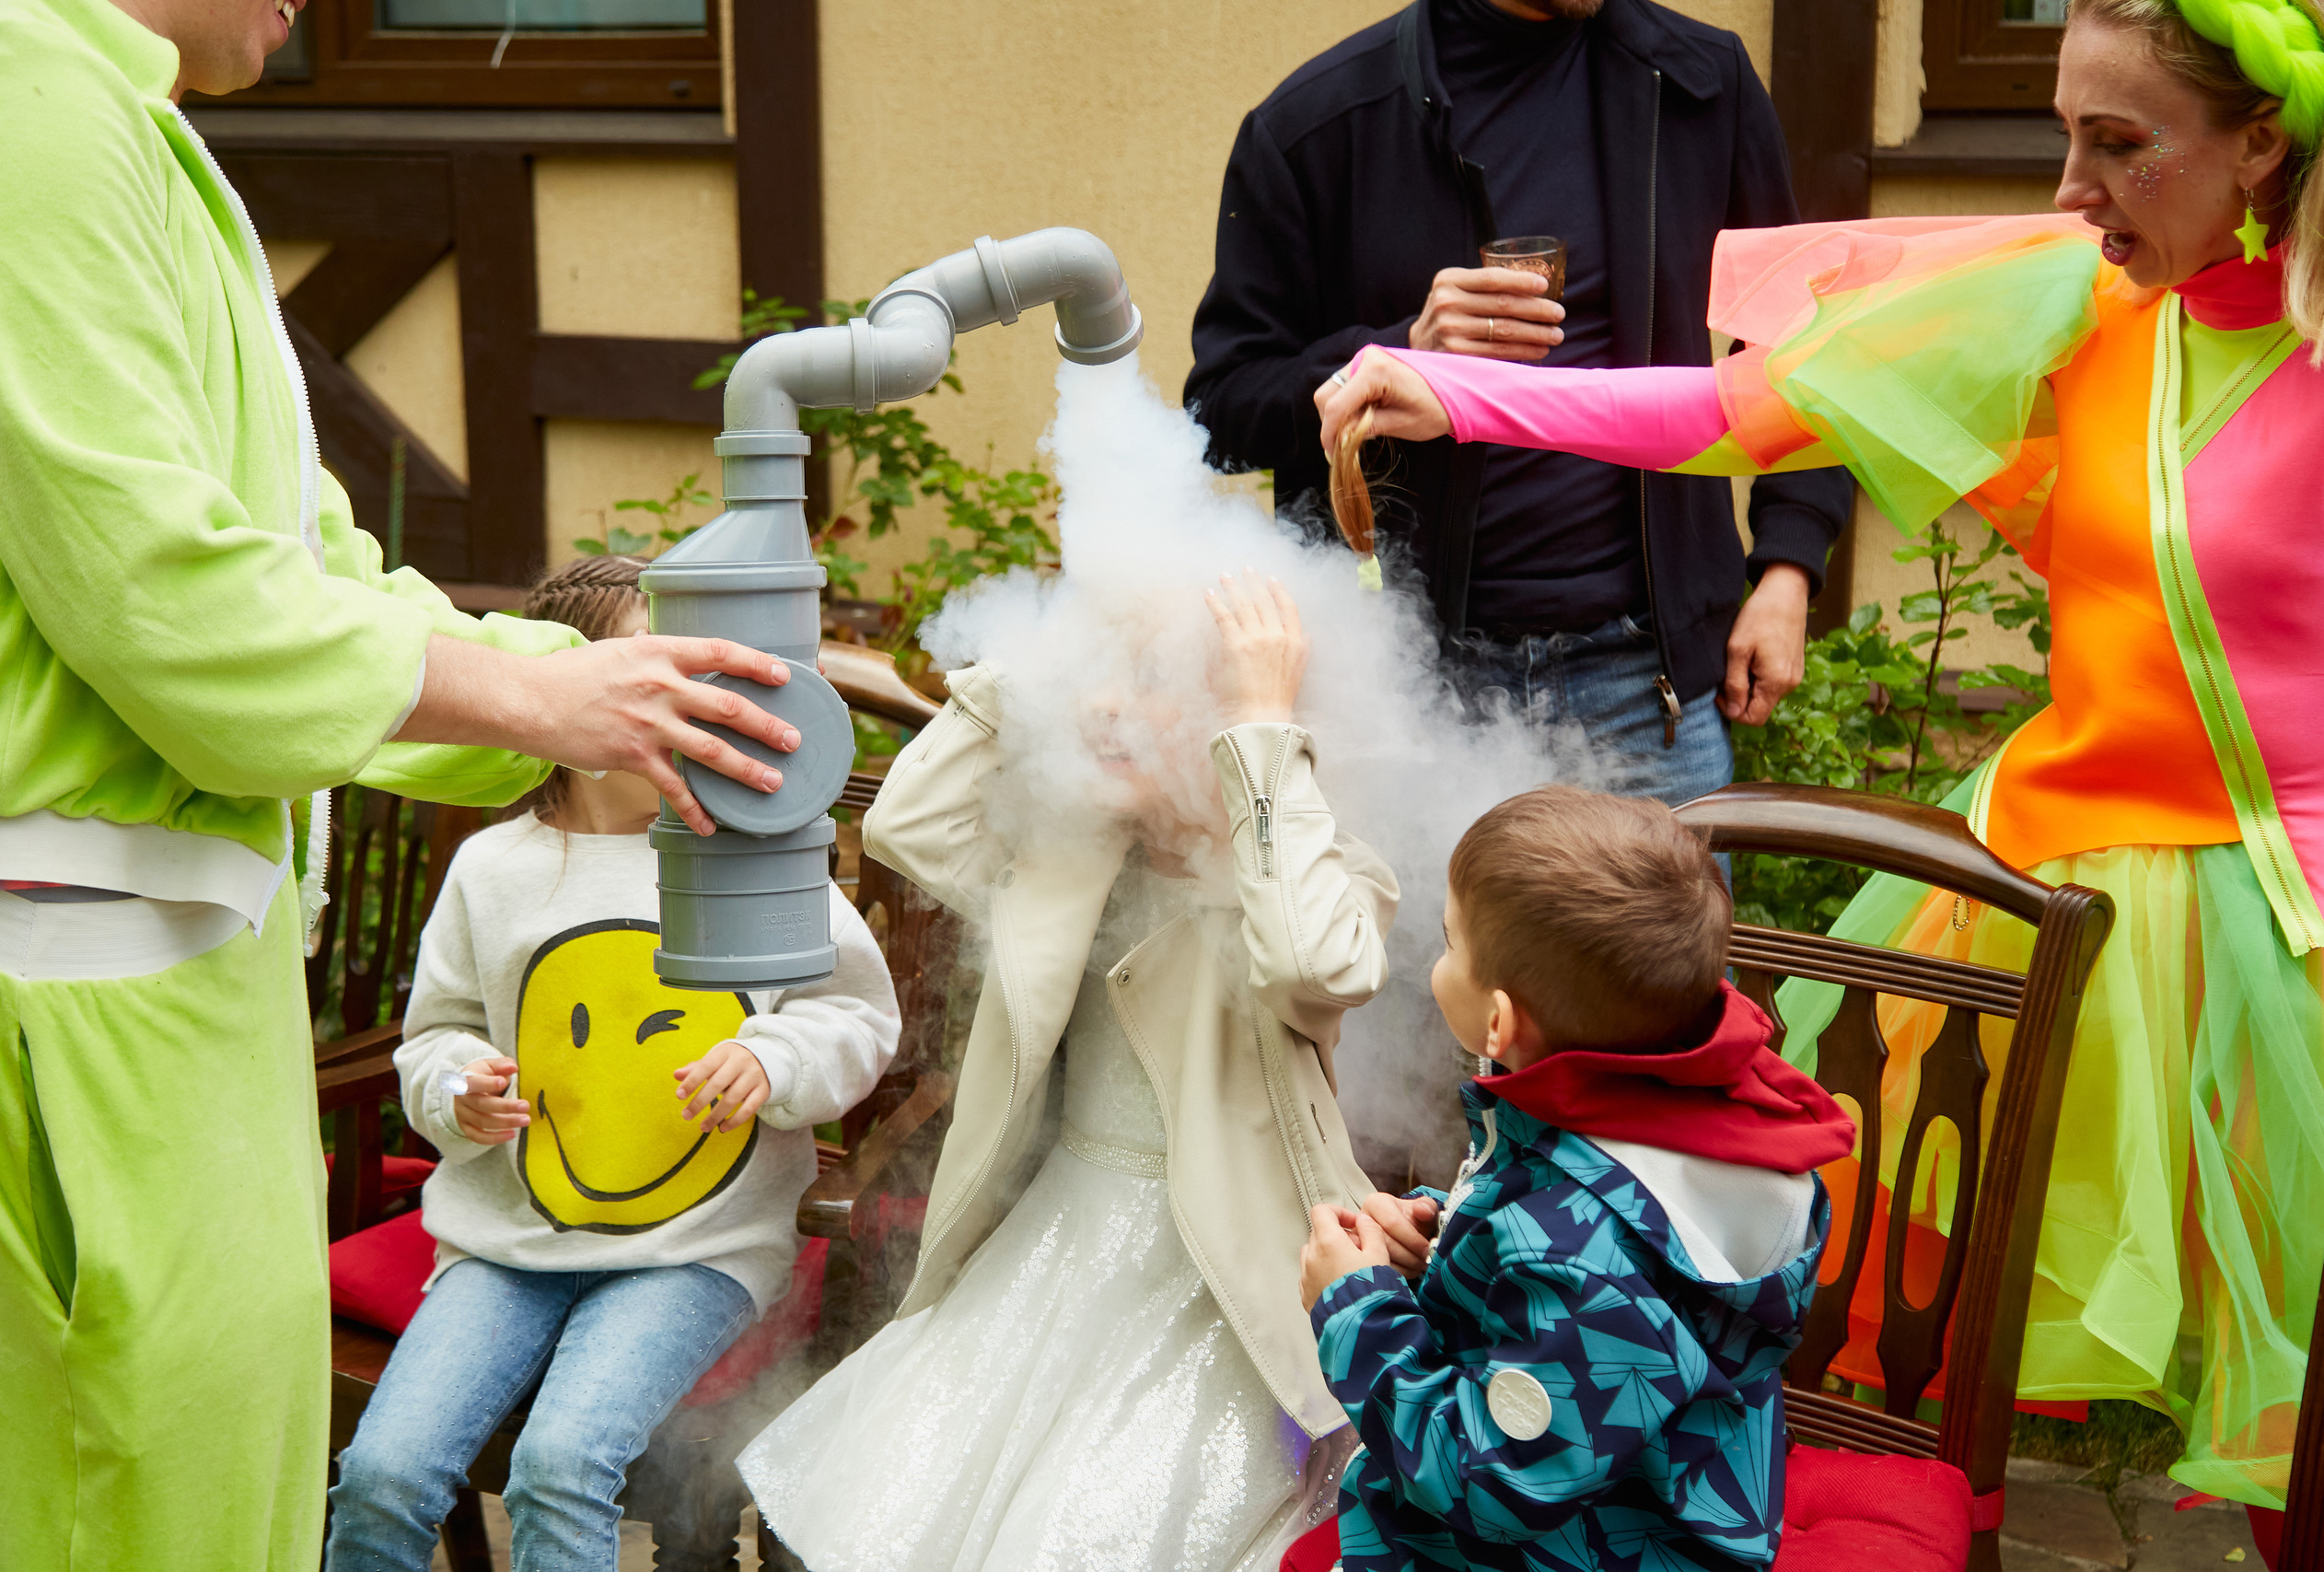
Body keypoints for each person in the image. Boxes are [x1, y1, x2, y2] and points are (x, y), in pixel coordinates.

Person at [1313, 0, 2324, 1543]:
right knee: (1880, 1306)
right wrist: (1454, 389)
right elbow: (1737, 412)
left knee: (2313, 1402)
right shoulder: (2080, 295)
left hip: (2308, 929)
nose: (2069, 188)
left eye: (2120, 146)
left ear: (2260, 143)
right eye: (2063, 129)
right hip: (2052, 893)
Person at [0, 1, 807, 1566]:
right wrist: (552, 698)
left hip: (180, 998)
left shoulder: (127, 122)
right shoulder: (33, 113)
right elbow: (181, 617)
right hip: (84, 993)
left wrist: (588, 704)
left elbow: (318, 578)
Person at [734, 573, 1400, 1570]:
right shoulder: (1073, 850)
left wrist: (1263, 724)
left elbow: (1314, 963)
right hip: (1056, 1235)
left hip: (1220, 1279)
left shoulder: (1321, 877)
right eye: (1091, 677)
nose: (1099, 704)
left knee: (1085, 1528)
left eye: (1146, 682)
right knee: (909, 1488)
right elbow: (904, 826)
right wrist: (1041, 658)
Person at [322, 557, 901, 1572]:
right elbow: (437, 1034)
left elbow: (853, 1012)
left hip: (693, 1255)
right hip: (502, 1245)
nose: (703, 709)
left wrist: (773, 1058)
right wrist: (458, 1086)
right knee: (383, 1475)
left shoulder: (753, 862)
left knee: (560, 1465)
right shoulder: (493, 870)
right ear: (580, 697)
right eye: (666, 674)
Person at [1184, 0, 1853, 808]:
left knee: (1663, 942)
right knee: (1421, 944)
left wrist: (1789, 564)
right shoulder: (1317, 125)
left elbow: (1799, 346)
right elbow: (1223, 406)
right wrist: (1405, 347)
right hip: (1418, 696)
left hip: (1643, 685)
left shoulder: (1700, 83)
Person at [1295, 785, 1849, 1570]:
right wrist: (1445, 1236)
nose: (1436, 958)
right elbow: (1584, 1235)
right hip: (1657, 1494)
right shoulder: (1659, 1101)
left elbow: (1489, 1480)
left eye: (1450, 941)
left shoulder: (1571, 1247)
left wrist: (1356, 1307)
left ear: (1498, 1021)